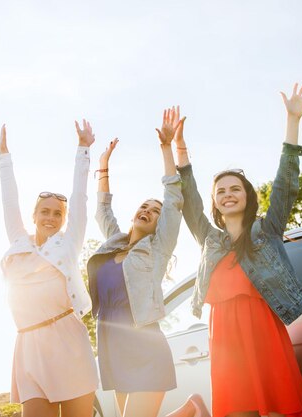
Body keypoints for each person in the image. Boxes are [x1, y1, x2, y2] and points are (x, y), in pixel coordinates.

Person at [168, 83, 302, 417]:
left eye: (236, 188)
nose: (228, 194)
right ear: (215, 201)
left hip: (262, 329)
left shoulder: (267, 229)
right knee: (237, 410)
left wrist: (292, 122)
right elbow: (190, 201)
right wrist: (180, 149)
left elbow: (285, 184)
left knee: (276, 407)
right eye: (221, 191)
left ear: (247, 196)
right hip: (224, 337)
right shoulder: (210, 239)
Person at [86, 107, 184, 417]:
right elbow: (103, 211)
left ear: (160, 223)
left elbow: (173, 199)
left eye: (155, 211)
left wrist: (166, 148)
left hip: (145, 346)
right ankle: (190, 410)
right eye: (144, 206)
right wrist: (103, 167)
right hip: (111, 346)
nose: (148, 210)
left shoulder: (157, 249)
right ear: (134, 214)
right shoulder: (113, 242)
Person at [0, 121, 98, 417]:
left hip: (68, 340)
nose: (51, 217)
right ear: (34, 215)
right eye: (45, 212)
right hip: (29, 345)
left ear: (64, 219)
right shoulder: (18, 242)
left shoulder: (68, 244)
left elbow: (80, 198)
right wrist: (4, 158)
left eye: (58, 213)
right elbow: (8, 201)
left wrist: (83, 150)